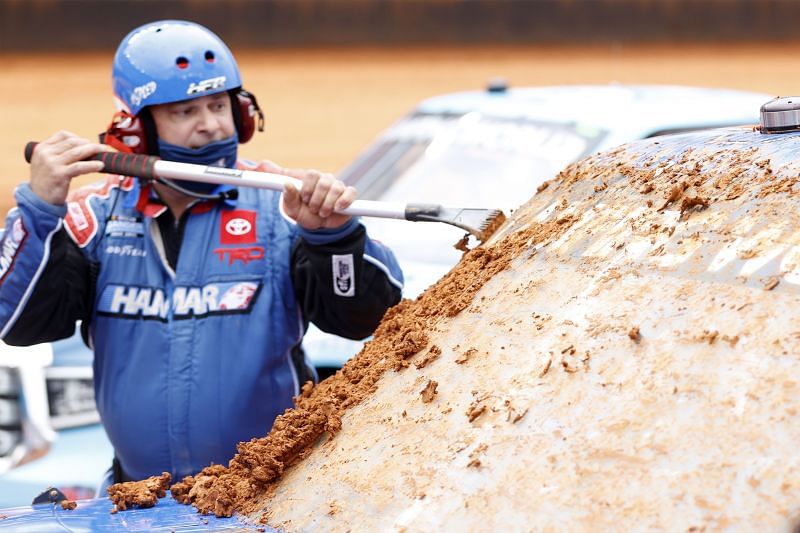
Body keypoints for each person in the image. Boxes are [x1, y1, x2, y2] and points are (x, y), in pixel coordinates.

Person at [0, 20, 403, 490]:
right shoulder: (93, 217)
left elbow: (366, 320)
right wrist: (38, 208)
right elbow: (18, 323)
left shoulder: (285, 206)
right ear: (137, 130)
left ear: (244, 113)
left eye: (219, 105)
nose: (210, 124)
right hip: (140, 498)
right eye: (185, 111)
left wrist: (335, 239)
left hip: (273, 493)